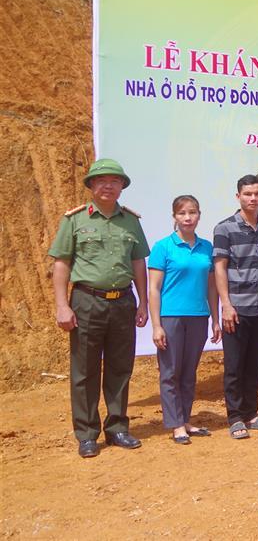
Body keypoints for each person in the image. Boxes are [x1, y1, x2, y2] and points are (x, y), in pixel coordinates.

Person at [49, 158, 150, 458]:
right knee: (85, 370)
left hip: (122, 302)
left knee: (121, 368)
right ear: (91, 186)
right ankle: (87, 433)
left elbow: (137, 263)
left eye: (115, 181)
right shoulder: (75, 220)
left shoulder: (131, 221)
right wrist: (62, 306)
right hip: (86, 302)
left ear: (122, 187)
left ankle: (118, 427)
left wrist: (143, 301)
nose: (108, 185)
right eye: (101, 180)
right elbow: (61, 263)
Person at [148, 195, 221, 444]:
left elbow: (212, 288)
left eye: (192, 212)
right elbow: (154, 289)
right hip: (171, 318)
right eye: (182, 213)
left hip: (199, 317)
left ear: (199, 215)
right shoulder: (163, 247)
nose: (188, 217)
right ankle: (175, 423)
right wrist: (156, 325)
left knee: (189, 372)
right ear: (174, 217)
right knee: (170, 372)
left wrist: (215, 318)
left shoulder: (206, 248)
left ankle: (186, 419)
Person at [213, 174, 258, 439]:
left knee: (254, 365)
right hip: (236, 310)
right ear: (237, 196)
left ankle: (251, 413)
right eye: (247, 194)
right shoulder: (224, 228)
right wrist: (225, 305)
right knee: (234, 366)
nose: (253, 198)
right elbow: (219, 268)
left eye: (257, 194)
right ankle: (235, 417)